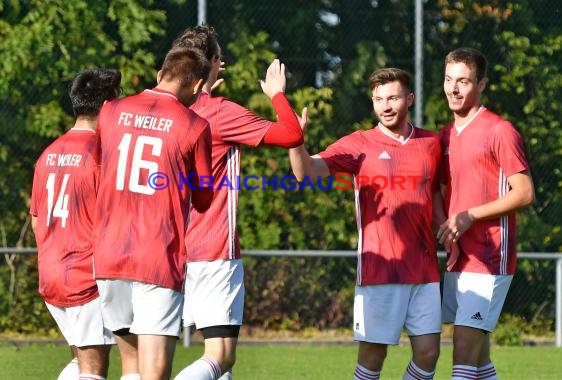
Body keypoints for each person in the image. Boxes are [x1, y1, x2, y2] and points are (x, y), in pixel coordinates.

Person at [289, 68, 441, 380]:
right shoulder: (359, 143)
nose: (385, 106)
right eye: (378, 99)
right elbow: (306, 172)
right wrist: (295, 140)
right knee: (374, 357)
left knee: (429, 354)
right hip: (380, 269)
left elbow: (441, 194)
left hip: (425, 269)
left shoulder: (431, 143)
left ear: (409, 99)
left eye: (393, 98)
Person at [170, 25, 304, 380]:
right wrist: (277, 95)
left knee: (150, 357)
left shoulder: (162, 111)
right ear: (214, 63)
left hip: (163, 251)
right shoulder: (218, 112)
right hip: (213, 248)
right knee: (221, 356)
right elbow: (292, 133)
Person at [93, 47, 213, 380]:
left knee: (130, 369)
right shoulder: (194, 124)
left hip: (108, 255)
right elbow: (204, 198)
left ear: (160, 74)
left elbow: (99, 169)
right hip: (156, 256)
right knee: (154, 374)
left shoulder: (110, 110)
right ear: (198, 85)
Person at [437, 47, 535, 380]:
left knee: (463, 349)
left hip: (490, 256)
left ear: (481, 85)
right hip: (460, 258)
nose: (453, 88)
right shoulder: (445, 136)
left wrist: (470, 216)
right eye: (449, 79)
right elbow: (438, 192)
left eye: (463, 81)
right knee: (477, 360)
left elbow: (524, 193)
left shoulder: (499, 131)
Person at [30, 68, 122, 380]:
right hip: (85, 276)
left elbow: (36, 220)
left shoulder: (48, 154)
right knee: (94, 369)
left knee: (80, 362)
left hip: (51, 272)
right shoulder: (101, 152)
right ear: (108, 106)